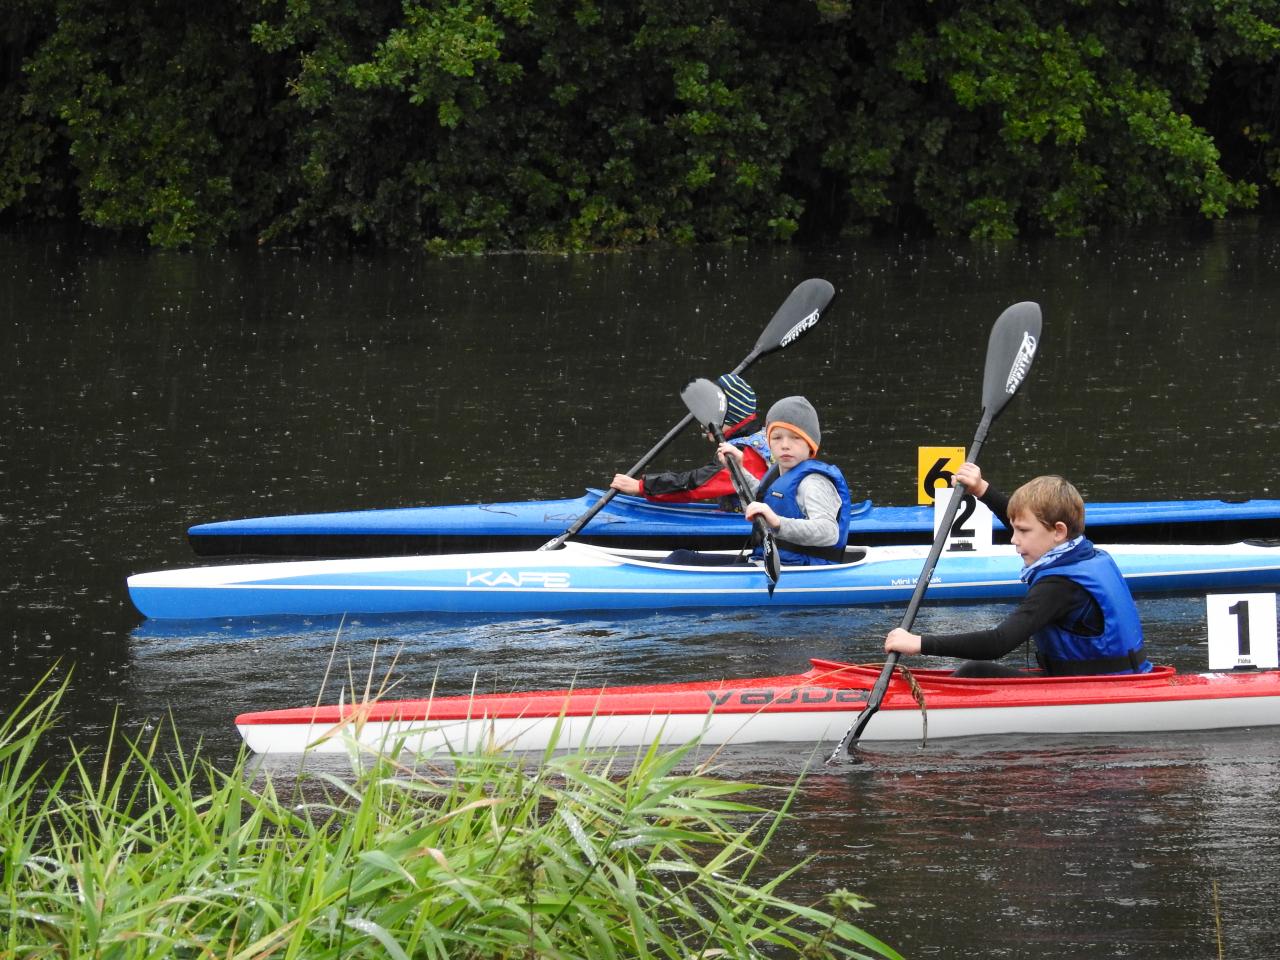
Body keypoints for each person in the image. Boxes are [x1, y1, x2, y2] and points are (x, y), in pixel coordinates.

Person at [884, 464, 1151, 677]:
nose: (1013, 539)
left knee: (975, 672)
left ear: (1059, 531)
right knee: (974, 671)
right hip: (1110, 678)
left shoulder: (1059, 587)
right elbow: (1030, 524)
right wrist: (982, 489)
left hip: (1097, 691)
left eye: (1022, 532)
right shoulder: (1080, 551)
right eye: (1015, 529)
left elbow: (998, 643)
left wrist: (918, 643)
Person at [667, 395, 852, 566]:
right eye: (777, 437)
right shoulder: (778, 474)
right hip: (767, 560)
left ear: (811, 444)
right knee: (680, 557)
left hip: (801, 569)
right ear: (768, 442)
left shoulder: (813, 483)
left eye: (795, 438)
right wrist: (737, 469)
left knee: (679, 563)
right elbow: (754, 504)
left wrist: (777, 522)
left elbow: (829, 533)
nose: (785, 445)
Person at [609, 373, 771, 510]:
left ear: (729, 416)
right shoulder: (760, 435)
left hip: (752, 526)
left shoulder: (743, 453)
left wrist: (642, 487)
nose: (703, 423)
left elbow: (697, 485)